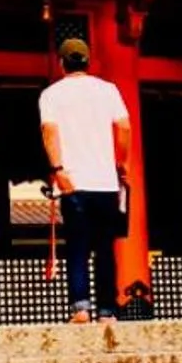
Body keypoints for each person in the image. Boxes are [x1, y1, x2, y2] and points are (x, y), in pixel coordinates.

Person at [38, 36, 131, 323]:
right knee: (105, 247)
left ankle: (80, 308)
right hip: (104, 182)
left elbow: (50, 131)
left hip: (73, 181)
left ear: (61, 62)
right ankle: (107, 310)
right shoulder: (108, 90)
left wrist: (58, 169)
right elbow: (124, 126)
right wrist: (121, 162)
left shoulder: (52, 94)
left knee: (77, 246)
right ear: (88, 61)